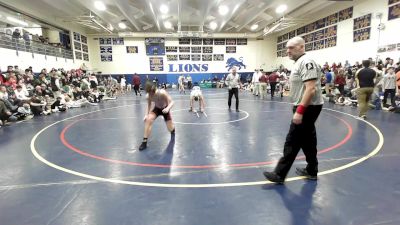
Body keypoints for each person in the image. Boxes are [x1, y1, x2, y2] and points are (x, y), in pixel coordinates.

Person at [263, 36, 324, 184]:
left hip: (308, 107)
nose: (288, 51)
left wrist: (300, 111)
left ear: (301, 47)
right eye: (287, 48)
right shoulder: (299, 62)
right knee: (308, 140)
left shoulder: (306, 62)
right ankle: (311, 170)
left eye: (291, 48)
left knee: (292, 140)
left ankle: (279, 174)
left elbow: (311, 88)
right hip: (306, 106)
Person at [138, 81, 175, 151]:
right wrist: (146, 115)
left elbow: (172, 102)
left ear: (154, 90)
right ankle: (144, 142)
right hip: (157, 109)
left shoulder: (162, 93)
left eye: (152, 93)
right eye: (149, 93)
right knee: (148, 119)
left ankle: (173, 130)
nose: (151, 95)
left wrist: (167, 108)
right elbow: (149, 106)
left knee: (170, 129)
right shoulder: (148, 96)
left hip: (165, 109)